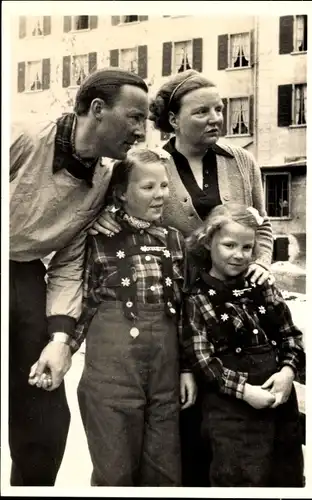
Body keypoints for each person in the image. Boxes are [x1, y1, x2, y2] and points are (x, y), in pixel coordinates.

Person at [91, 69, 274, 486]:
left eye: (219, 109)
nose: (216, 118)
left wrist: (261, 262)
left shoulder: (241, 161)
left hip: (237, 312)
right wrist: (102, 218)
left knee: (237, 431)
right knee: (182, 432)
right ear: (173, 119)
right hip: (180, 313)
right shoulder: (146, 163)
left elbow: (261, 225)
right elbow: (115, 206)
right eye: (202, 111)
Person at [9, 68, 149, 486]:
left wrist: (59, 341)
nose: (141, 132)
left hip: (23, 273)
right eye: (135, 117)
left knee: (45, 414)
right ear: (97, 109)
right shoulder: (24, 136)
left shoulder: (105, 177)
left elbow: (69, 262)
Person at [73, 148, 197, 486]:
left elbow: (185, 308)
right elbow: (80, 299)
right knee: (114, 467)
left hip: (164, 371)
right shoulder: (96, 238)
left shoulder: (175, 240)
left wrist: (186, 367)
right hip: (113, 369)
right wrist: (63, 349)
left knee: (164, 468)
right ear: (121, 193)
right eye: (147, 187)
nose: (160, 195)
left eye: (164, 186)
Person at [182, 203, 305, 487]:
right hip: (231, 414)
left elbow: (290, 335)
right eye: (229, 245)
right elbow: (203, 361)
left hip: (281, 406)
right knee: (238, 480)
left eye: (247, 248)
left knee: (287, 478)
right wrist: (245, 391)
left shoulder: (262, 286)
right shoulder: (196, 297)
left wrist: (288, 373)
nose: (239, 255)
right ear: (207, 241)